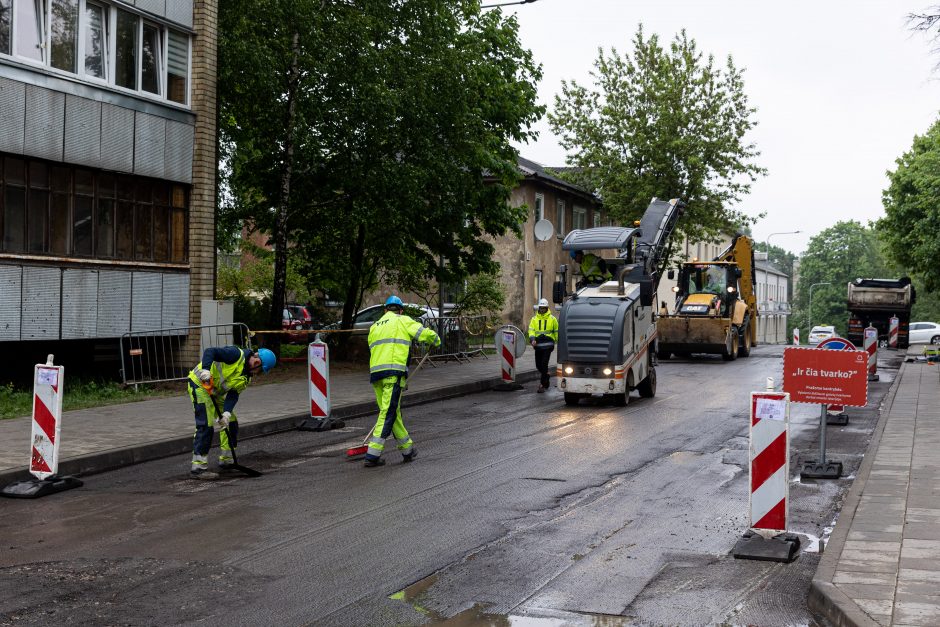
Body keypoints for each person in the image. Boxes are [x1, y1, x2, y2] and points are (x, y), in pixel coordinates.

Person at [363, 295, 441, 468]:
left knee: (392, 412)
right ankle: (372, 454)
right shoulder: (402, 320)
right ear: (400, 310)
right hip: (393, 374)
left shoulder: (375, 326)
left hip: (376, 375)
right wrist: (436, 340)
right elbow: (423, 334)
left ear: (385, 310)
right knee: (388, 413)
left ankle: (407, 449)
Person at [187, 346, 276, 479]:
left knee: (232, 423)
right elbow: (210, 351)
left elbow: (233, 395)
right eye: (260, 370)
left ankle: (226, 460)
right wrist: (205, 370)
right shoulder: (235, 355)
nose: (258, 373)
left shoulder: (246, 377)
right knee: (206, 425)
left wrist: (227, 414)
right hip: (199, 384)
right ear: (257, 363)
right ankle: (198, 467)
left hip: (214, 392)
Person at [528, 298, 559, 393]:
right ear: (539, 308)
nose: (542, 310)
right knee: (538, 365)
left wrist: (557, 341)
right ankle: (546, 375)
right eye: (541, 308)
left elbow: (556, 331)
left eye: (544, 308)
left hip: (548, 345)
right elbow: (531, 330)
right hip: (538, 345)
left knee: (544, 364)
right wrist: (532, 339)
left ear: (547, 308)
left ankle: (542, 384)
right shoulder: (534, 319)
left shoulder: (552, 319)